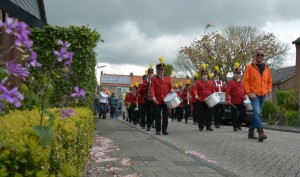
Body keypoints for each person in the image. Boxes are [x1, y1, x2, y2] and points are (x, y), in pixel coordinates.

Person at [242, 48, 272, 142]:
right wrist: (249, 93)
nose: (260, 57)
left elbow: (269, 81)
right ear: (255, 56)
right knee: (258, 113)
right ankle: (261, 132)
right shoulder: (250, 67)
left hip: (263, 95)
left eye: (262, 55)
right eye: (258, 55)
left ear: (264, 56)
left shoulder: (267, 68)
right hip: (254, 94)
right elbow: (245, 81)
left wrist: (268, 92)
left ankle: (251, 132)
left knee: (256, 114)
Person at [150, 57, 174, 135]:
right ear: (157, 70)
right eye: (161, 69)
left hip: (165, 99)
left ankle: (164, 129)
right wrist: (153, 96)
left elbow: (170, 86)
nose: (162, 71)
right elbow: (152, 88)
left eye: (163, 69)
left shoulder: (167, 78)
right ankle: (158, 130)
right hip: (157, 99)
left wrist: (172, 90)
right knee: (157, 116)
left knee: (165, 116)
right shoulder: (154, 79)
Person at [194, 64, 216, 131]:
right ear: (201, 75)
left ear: (207, 75)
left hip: (209, 100)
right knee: (201, 114)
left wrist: (214, 97)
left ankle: (208, 126)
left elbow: (213, 91)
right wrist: (196, 95)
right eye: (203, 74)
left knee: (209, 113)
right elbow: (195, 89)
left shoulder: (211, 82)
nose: (205, 76)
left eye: (206, 74)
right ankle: (201, 126)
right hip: (201, 100)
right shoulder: (198, 82)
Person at [226, 63, 246, 131]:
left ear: (241, 74)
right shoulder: (231, 82)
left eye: (239, 73)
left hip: (241, 100)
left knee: (243, 114)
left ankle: (239, 124)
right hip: (234, 100)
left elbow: (245, 91)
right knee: (234, 115)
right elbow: (227, 91)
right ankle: (235, 126)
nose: (238, 74)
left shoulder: (243, 82)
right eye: (237, 73)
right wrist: (228, 99)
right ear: (234, 74)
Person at [145, 64, 155, 131]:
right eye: (149, 73)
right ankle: (148, 126)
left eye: (151, 73)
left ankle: (151, 122)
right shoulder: (146, 80)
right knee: (148, 112)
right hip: (148, 98)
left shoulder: (155, 79)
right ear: (148, 73)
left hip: (154, 98)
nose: (151, 74)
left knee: (154, 112)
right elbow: (143, 88)